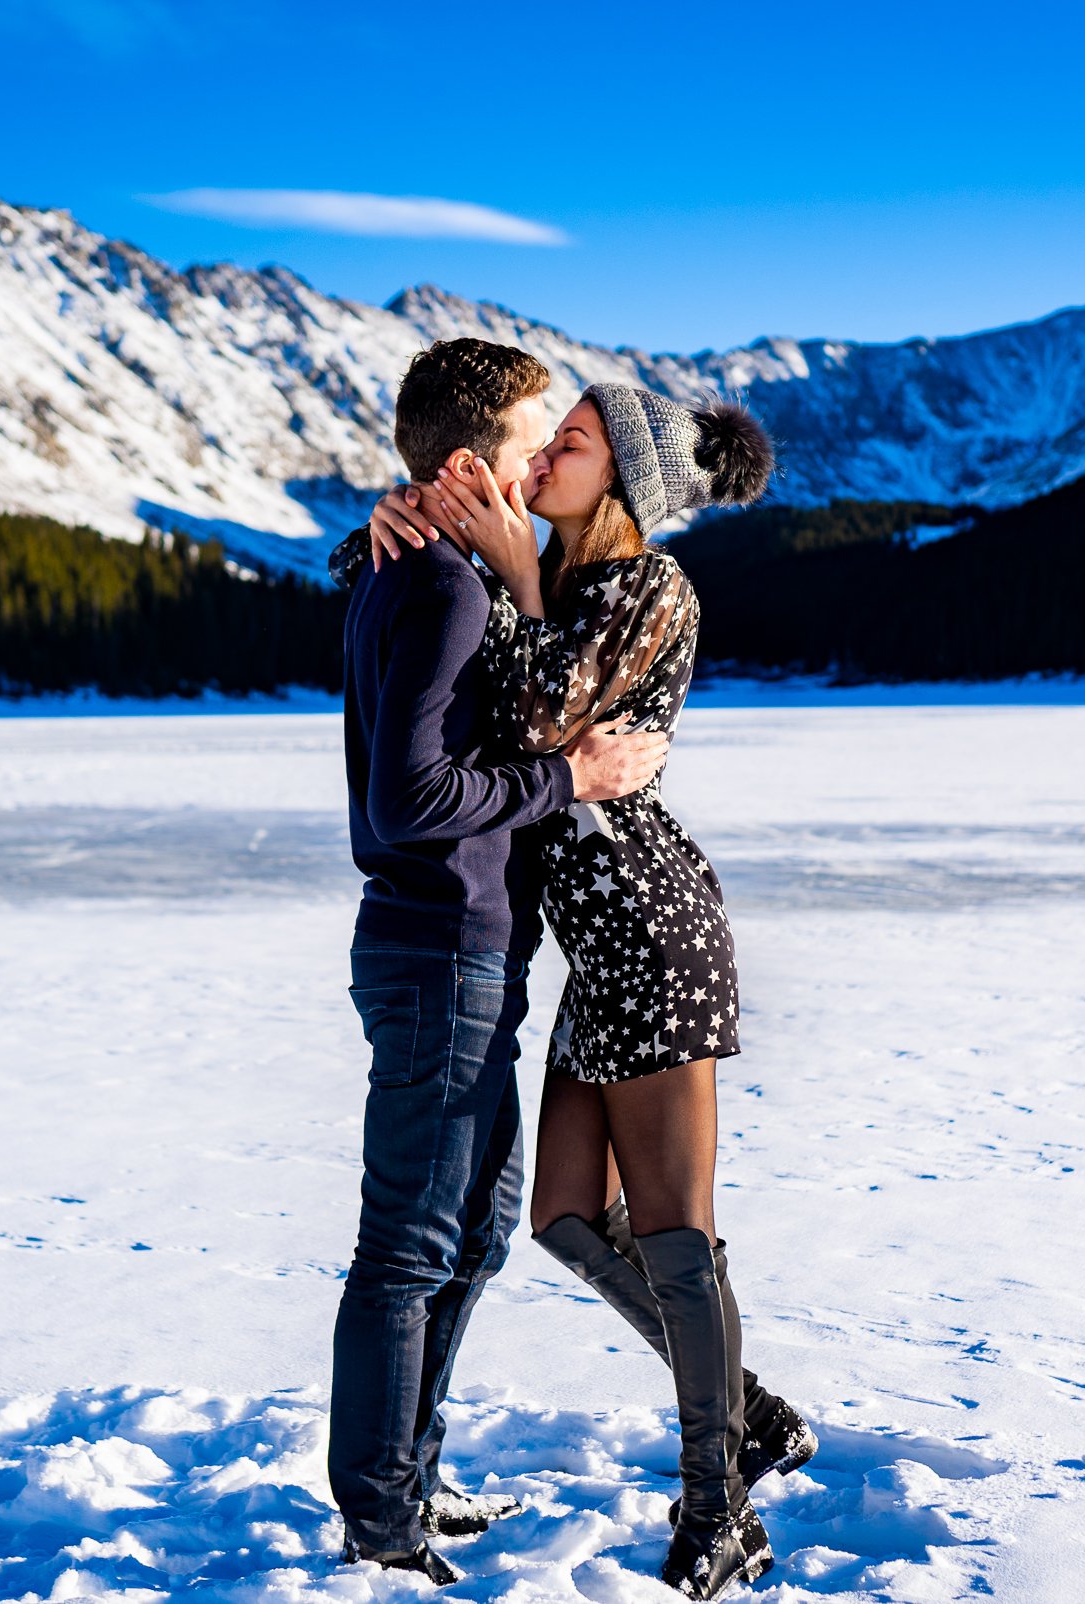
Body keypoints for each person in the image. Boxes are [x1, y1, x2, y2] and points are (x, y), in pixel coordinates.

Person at [342, 381, 818, 1599]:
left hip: (653, 929)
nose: (550, 451)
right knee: (559, 1216)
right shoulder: (531, 570)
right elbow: (448, 656)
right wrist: (400, 524)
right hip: (586, 950)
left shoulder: (652, 586)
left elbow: (538, 715)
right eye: (547, 435)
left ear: (622, 480)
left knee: (674, 1234)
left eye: (576, 441)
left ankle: (718, 1506)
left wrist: (517, 569)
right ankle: (749, 1407)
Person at [329, 339, 670, 1585]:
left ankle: (406, 1479)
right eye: (536, 439)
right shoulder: (440, 587)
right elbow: (406, 798)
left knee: (467, 1236)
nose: (545, 463)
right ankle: (379, 1518)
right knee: (413, 1246)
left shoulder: (424, 566)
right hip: (438, 954)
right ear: (473, 458)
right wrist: (568, 776)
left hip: (462, 950)